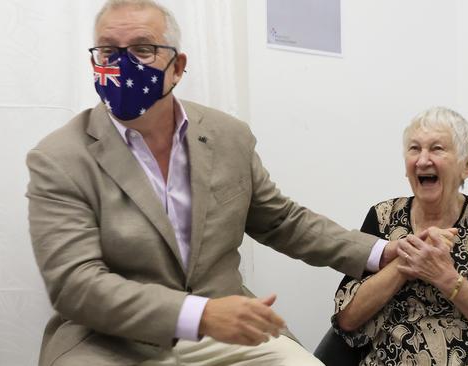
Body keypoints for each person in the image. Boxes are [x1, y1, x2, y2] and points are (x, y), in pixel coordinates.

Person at [25, 1, 400, 365]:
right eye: (108, 52)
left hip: (224, 335)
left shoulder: (228, 137)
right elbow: (76, 285)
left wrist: (380, 253)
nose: (122, 65)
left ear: (177, 66)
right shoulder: (60, 158)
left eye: (142, 49)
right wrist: (199, 314)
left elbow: (282, 221)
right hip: (111, 341)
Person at [332, 107, 468, 365]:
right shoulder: (382, 217)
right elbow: (346, 318)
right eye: (414, 149)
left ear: (467, 167)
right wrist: (405, 263)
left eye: (437, 149)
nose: (422, 160)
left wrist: (446, 278)